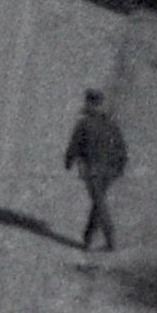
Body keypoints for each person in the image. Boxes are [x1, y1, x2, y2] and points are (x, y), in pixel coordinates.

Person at [64, 88, 127, 252]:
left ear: (90, 103)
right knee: (98, 202)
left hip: (92, 170)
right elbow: (121, 146)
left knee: (99, 203)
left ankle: (110, 238)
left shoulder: (84, 124)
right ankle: (88, 237)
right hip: (110, 170)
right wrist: (120, 166)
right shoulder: (110, 123)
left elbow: (74, 145)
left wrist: (69, 161)